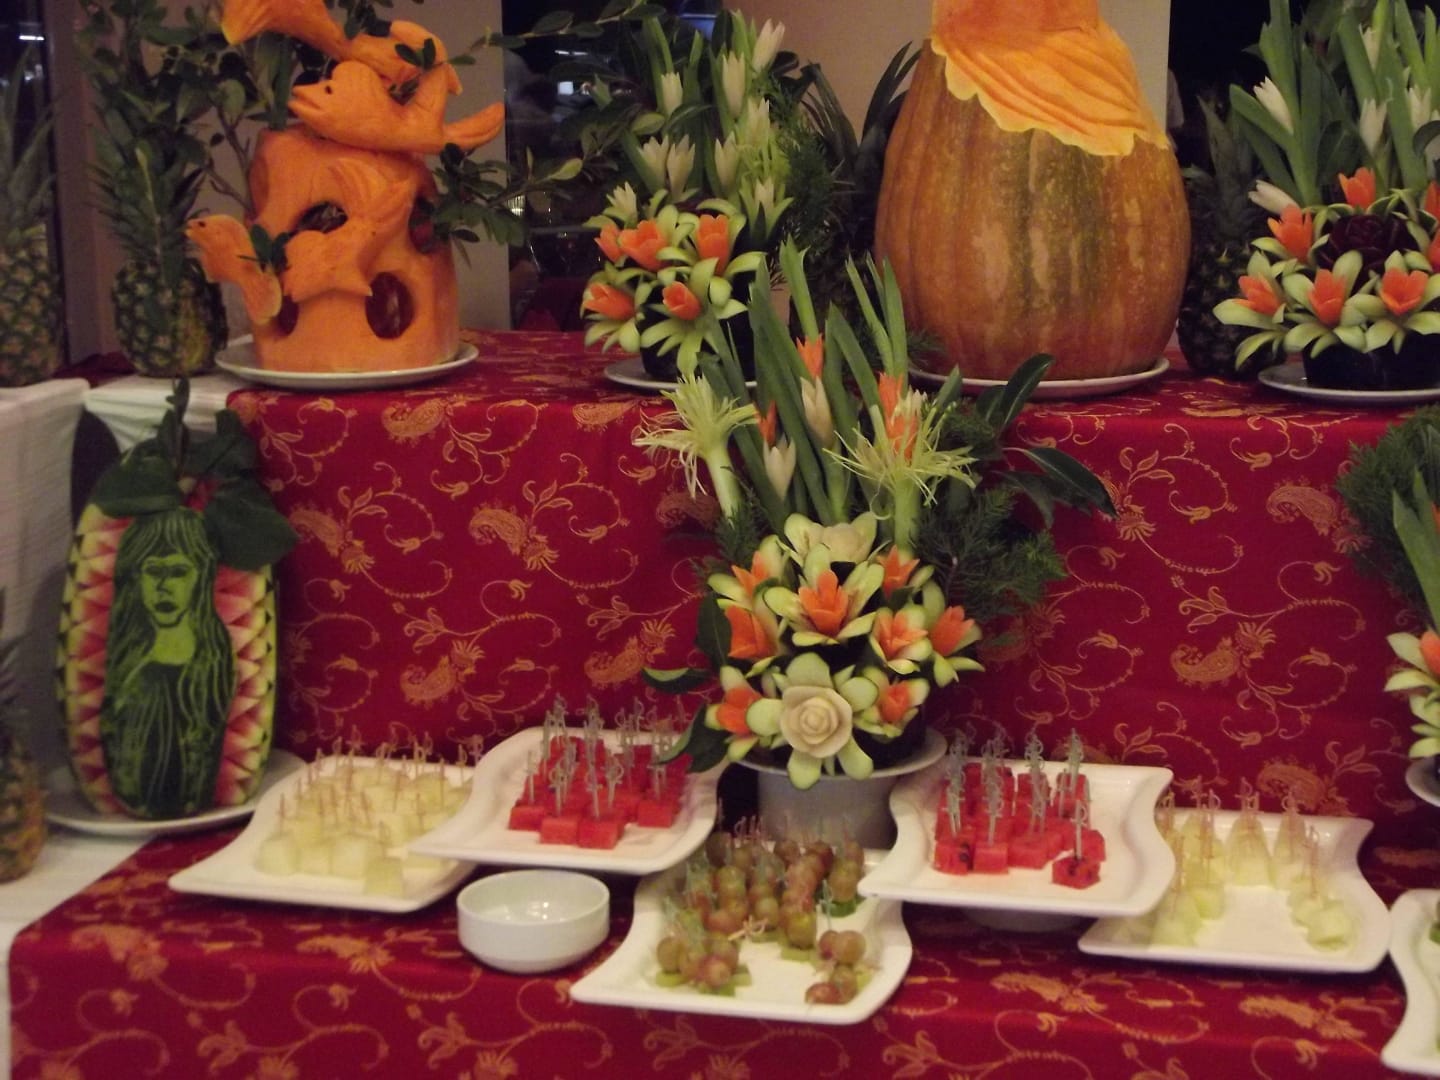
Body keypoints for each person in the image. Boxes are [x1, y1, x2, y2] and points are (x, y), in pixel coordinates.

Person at [98, 507, 235, 819]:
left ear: (201, 577)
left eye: (178, 572)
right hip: (133, 804)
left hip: (199, 803)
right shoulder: (125, 656)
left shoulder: (216, 652)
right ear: (136, 577)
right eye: (153, 571)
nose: (164, 586)